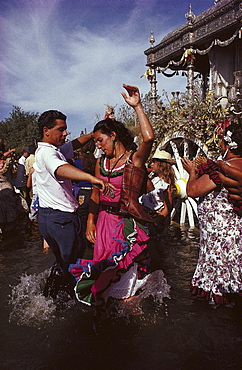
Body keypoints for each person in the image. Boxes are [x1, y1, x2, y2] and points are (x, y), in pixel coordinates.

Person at [69, 84, 170, 313]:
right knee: (104, 269)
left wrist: (138, 106)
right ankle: (110, 316)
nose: (98, 145)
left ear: (113, 136)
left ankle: (129, 314)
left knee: (117, 269)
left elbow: (148, 138)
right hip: (103, 222)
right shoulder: (100, 163)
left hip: (124, 223)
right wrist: (90, 221)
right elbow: (95, 192)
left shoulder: (134, 160)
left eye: (100, 140)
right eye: (95, 141)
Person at [34, 110, 113, 297]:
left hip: (48, 218)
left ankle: (49, 297)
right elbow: (61, 169)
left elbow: (75, 143)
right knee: (71, 263)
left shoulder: (54, 149)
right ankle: (63, 301)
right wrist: (92, 178)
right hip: (61, 219)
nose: (65, 134)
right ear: (46, 130)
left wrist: (94, 133)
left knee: (62, 262)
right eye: (61, 130)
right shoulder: (47, 154)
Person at [182, 122, 242, 307]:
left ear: (226, 144)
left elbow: (192, 190)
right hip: (234, 235)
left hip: (220, 239)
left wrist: (192, 172)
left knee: (222, 290)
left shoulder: (223, 168)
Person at [139, 149, 176, 234]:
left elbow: (168, 207)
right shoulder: (153, 177)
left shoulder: (165, 185)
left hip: (154, 216)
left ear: (161, 164)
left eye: (154, 162)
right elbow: (144, 169)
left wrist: (159, 219)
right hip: (143, 213)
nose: (151, 164)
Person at [72, 140, 97, 253]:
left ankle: (85, 246)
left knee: (82, 221)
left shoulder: (76, 163)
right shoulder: (97, 162)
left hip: (82, 194)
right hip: (95, 194)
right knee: (94, 219)